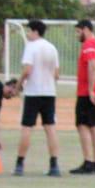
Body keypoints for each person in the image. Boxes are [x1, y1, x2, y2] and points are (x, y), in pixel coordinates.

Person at [14, 19, 61, 177]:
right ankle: (54, 165)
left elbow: (27, 70)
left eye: (29, 31)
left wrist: (18, 85)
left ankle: (19, 164)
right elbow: (56, 74)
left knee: (27, 127)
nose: (27, 34)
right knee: (50, 128)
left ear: (35, 32)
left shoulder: (31, 47)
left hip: (33, 92)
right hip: (49, 93)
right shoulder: (52, 48)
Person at [71, 19, 95, 175]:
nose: (77, 35)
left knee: (83, 125)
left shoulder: (89, 45)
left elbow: (92, 65)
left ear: (86, 29)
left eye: (78, 31)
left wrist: (91, 90)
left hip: (88, 93)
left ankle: (88, 161)